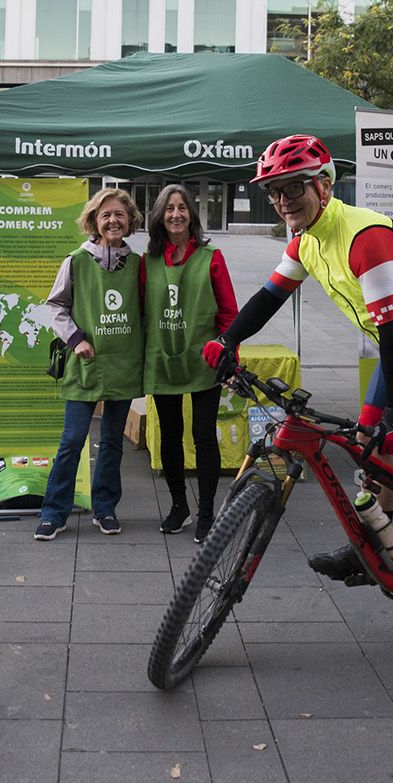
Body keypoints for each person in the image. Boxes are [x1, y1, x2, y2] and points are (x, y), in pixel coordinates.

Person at [203, 135, 393, 612]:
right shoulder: (306, 241)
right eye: (274, 191)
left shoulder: (362, 235)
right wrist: (228, 342)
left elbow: (391, 325)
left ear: (323, 186)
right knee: (371, 446)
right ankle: (375, 546)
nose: (284, 200)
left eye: (293, 187)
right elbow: (269, 297)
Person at [34, 188, 144, 541]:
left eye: (120, 215)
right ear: (94, 221)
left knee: (112, 441)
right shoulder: (77, 261)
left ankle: (106, 508)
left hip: (122, 365)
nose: (113, 220)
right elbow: (56, 306)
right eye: (106, 214)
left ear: (129, 222)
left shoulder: (140, 265)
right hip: (85, 365)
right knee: (72, 439)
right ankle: (54, 512)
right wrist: (76, 339)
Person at [142, 184, 237, 542]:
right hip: (164, 359)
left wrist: (230, 356)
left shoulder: (211, 257)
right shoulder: (147, 261)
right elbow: (139, 310)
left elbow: (229, 311)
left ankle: (207, 511)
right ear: (160, 216)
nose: (176, 214)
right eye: (169, 208)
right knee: (170, 436)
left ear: (192, 216)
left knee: (203, 435)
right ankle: (179, 505)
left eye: (182, 208)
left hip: (204, 359)